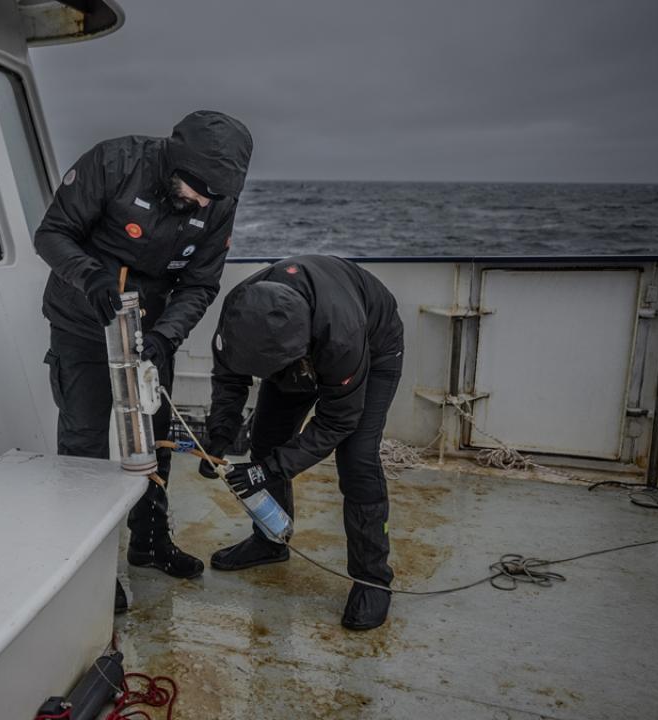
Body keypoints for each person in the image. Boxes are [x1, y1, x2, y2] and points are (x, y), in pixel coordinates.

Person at [35, 110, 253, 613]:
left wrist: (166, 336)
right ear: (173, 159)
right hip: (83, 321)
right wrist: (90, 279)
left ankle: (149, 541)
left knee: (153, 439)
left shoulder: (218, 199)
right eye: (196, 187)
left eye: (213, 196)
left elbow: (200, 283)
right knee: (84, 438)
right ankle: (86, 563)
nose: (201, 200)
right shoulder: (114, 161)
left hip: (149, 332)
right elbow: (52, 234)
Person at [199, 255, 404, 630]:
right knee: (266, 438)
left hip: (372, 346)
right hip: (298, 347)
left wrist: (267, 471)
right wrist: (219, 436)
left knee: (357, 460)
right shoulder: (239, 315)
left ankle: (372, 578)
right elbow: (229, 381)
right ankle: (269, 541)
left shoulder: (341, 336)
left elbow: (337, 422)